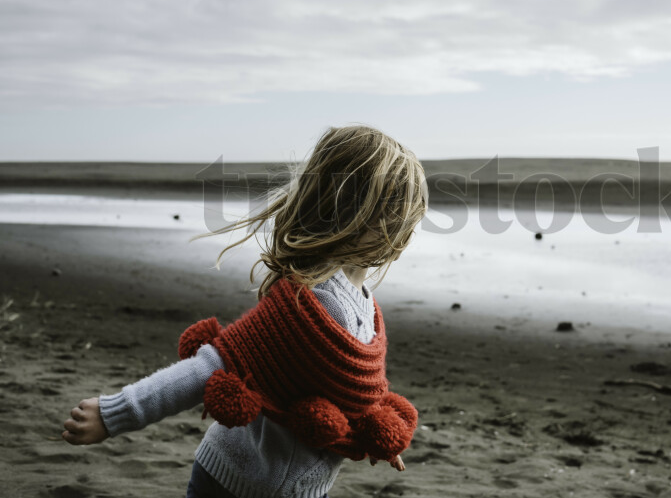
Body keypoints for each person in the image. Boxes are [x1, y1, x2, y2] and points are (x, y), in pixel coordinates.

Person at [62, 125, 428, 498]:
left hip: (300, 486)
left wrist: (377, 437)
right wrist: (115, 414)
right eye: (398, 212)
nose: (407, 226)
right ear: (354, 210)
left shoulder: (362, 297)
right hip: (239, 482)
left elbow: (350, 390)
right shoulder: (311, 302)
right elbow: (211, 367)